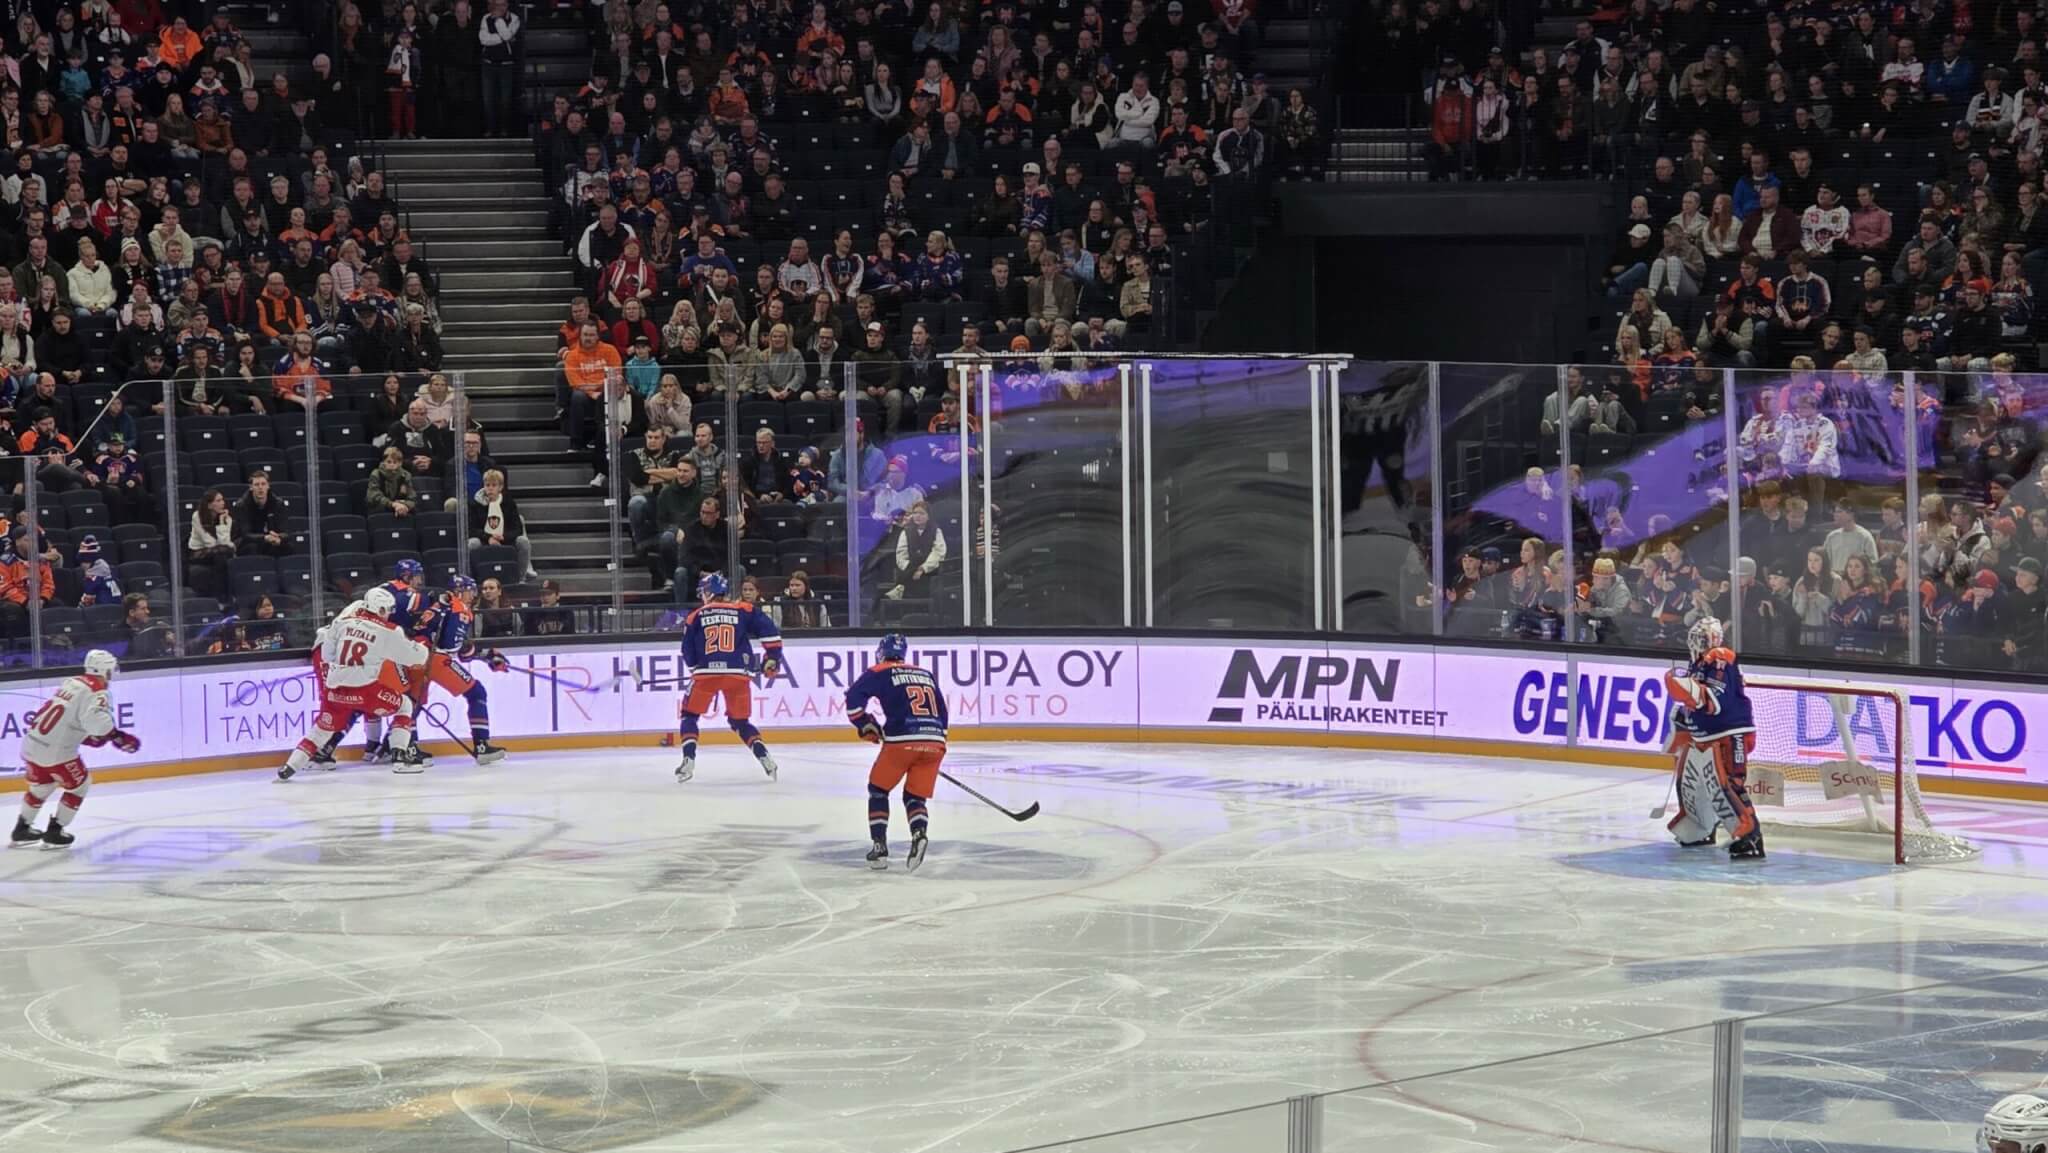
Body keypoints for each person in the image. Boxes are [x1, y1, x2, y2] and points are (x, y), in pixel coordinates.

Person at [278, 588, 429, 780]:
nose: (390, 613)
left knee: (322, 729)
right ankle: (400, 758)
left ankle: (289, 768)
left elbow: (327, 654)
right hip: (365, 690)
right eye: (389, 609)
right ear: (381, 609)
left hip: (335, 690)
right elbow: (415, 658)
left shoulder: (342, 622)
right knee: (405, 705)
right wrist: (421, 647)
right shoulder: (388, 631)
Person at [1662, 616, 1764, 860]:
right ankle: (1700, 828)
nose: (1694, 642)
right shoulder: (1698, 663)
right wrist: (1683, 715)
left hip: (1729, 734)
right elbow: (1696, 701)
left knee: (1728, 783)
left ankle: (1750, 837)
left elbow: (1715, 701)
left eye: (1699, 638)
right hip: (1704, 737)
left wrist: (1686, 690)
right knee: (1694, 782)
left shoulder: (1720, 657)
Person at [11, 650, 135, 849]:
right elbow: (97, 724)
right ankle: (55, 831)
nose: (112, 675)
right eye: (111, 670)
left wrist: (86, 737)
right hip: (57, 753)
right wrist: (117, 735)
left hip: (32, 743)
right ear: (104, 670)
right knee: (80, 785)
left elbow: (64, 718)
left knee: (41, 787)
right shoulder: (98, 691)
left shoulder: (72, 682)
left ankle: (21, 829)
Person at [847, 632, 949, 871]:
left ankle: (879, 849)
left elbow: (853, 699)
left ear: (882, 652)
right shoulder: (925, 673)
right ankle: (919, 834)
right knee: (915, 796)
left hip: (902, 739)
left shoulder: (879, 671)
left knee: (878, 790)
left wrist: (864, 724)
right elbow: (943, 712)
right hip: (935, 741)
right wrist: (934, 741)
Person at [674, 570, 783, 784]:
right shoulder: (743, 609)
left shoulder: (695, 616)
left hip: (706, 675)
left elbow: (687, 650)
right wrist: (772, 658)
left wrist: (696, 669)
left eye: (703, 591)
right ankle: (765, 757)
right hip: (738, 674)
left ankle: (688, 760)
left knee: (689, 715)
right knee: (740, 721)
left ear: (709, 592)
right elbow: (769, 631)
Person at [410, 574, 510, 765]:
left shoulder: (439, 605)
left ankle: (406, 748)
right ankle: (482, 746)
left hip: (413, 658)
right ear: (459, 591)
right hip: (435, 659)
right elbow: (451, 646)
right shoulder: (459, 607)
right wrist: (485, 655)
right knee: (476, 692)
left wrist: (485, 655)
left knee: (413, 703)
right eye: (469, 591)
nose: (473, 595)